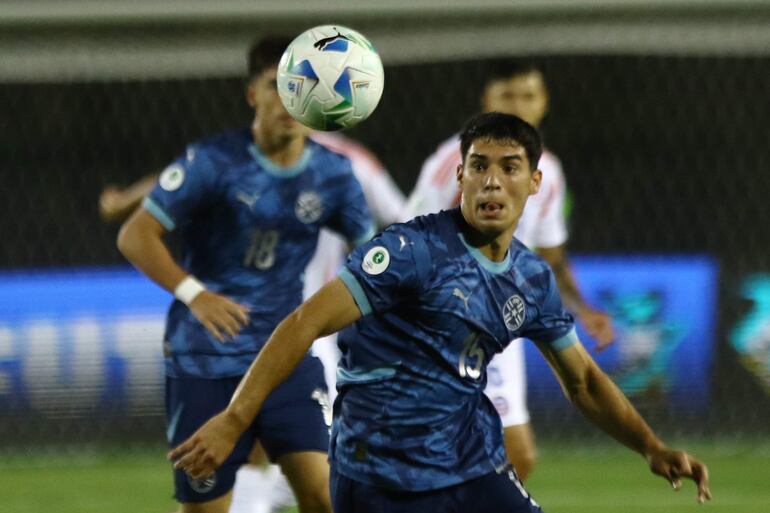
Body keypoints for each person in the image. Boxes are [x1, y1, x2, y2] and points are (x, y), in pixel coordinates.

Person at [168, 112, 711, 513]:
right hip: (381, 478)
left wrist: (651, 446)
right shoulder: (412, 251)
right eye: (478, 167)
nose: (492, 180)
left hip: (473, 467)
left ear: (535, 183)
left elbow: (585, 383)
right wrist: (235, 419)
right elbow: (304, 322)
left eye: (509, 167)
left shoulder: (532, 278)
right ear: (460, 178)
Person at [116, 36, 375, 513]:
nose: (287, 99)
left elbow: (373, 259)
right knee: (207, 509)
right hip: (204, 358)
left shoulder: (334, 174)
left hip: (284, 355)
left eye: (301, 87)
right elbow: (135, 236)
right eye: (275, 87)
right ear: (252, 94)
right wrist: (196, 294)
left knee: (326, 494)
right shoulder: (214, 162)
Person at [403, 61, 614, 479]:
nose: (518, 106)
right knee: (450, 457)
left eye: (528, 96)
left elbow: (550, 253)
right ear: (486, 102)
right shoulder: (455, 162)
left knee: (514, 457)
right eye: (507, 96)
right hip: (443, 322)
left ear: (544, 103)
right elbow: (408, 239)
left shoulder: (546, 171)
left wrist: (582, 307)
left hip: (501, 322)